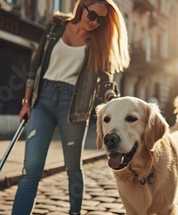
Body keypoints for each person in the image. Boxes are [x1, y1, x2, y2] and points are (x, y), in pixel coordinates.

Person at [13, 1, 129, 214]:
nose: (94, 22)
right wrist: (26, 103)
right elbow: (35, 64)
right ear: (83, 6)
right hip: (43, 102)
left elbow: (105, 80)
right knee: (31, 170)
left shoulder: (98, 43)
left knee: (73, 168)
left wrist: (111, 97)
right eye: (92, 14)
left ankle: (74, 212)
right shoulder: (56, 25)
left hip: (74, 107)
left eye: (101, 20)